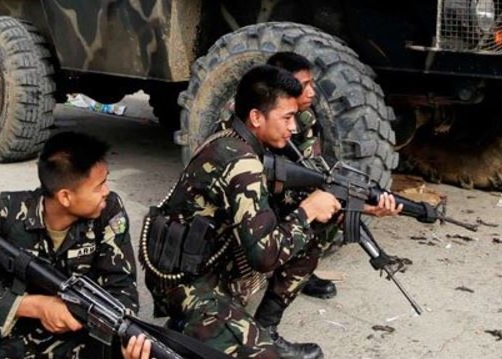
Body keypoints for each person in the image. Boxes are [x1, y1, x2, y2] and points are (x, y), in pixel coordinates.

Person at [145, 65, 401, 358]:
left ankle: (262, 327)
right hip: (189, 281)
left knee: (317, 228)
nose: (293, 127)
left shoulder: (233, 137)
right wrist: (306, 211)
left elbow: (284, 198)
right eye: (287, 118)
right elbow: (265, 257)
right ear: (256, 117)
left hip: (207, 259)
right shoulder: (240, 162)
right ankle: (191, 323)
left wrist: (358, 206)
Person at [0, 131, 149, 359]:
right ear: (65, 197)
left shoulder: (108, 211)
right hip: (6, 332)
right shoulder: (3, 214)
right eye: (99, 186)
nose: (106, 192)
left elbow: (121, 286)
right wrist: (38, 306)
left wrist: (125, 338)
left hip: (74, 334)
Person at [265, 52, 335, 300]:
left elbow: (310, 163)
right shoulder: (249, 113)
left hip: (279, 185)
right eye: (303, 85)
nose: (312, 92)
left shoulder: (305, 118)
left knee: (327, 202)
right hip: (252, 189)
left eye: (311, 83)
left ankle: (297, 270)